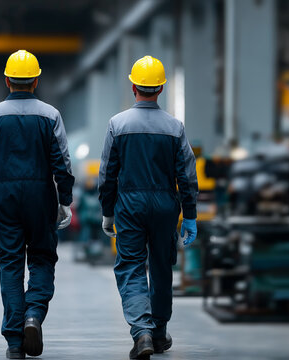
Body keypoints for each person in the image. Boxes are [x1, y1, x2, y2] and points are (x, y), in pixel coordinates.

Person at [0, 50, 75, 359]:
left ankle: (14, 341)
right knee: (42, 259)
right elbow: (62, 163)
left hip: (5, 197)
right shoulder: (50, 115)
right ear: (35, 81)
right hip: (40, 196)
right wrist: (65, 201)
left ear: (7, 80)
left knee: (10, 264)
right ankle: (34, 314)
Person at [97, 55, 198, 359]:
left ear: (133, 87)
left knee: (130, 266)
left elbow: (107, 174)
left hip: (129, 204)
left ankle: (141, 331)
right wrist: (190, 215)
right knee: (161, 266)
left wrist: (107, 210)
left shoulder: (118, 124)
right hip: (166, 205)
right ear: (161, 89)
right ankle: (159, 330)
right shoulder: (174, 127)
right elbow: (187, 175)